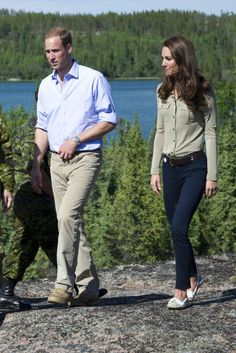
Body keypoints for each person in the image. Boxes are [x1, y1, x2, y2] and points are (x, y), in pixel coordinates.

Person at [31, 27, 117, 307]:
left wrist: (77, 139)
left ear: (69, 48)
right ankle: (89, 286)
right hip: (55, 161)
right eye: (47, 51)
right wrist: (36, 164)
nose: (51, 56)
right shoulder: (45, 85)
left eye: (56, 50)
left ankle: (63, 285)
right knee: (69, 221)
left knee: (68, 216)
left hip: (85, 157)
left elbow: (109, 120)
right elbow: (42, 126)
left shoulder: (93, 79)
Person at [150, 36, 217, 310]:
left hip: (195, 167)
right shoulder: (161, 92)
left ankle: (180, 290)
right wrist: (154, 169)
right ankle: (193, 276)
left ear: (181, 59)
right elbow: (160, 132)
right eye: (163, 58)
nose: (163, 63)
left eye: (168, 58)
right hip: (169, 168)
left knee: (179, 226)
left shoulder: (203, 91)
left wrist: (212, 175)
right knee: (176, 229)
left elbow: (211, 134)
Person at [0, 107, 58, 311]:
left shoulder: (48, 124)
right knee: (55, 238)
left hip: (33, 195)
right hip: (33, 196)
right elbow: (31, 167)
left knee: (26, 242)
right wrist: (58, 199)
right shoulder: (35, 129)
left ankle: (6, 291)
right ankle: (78, 285)